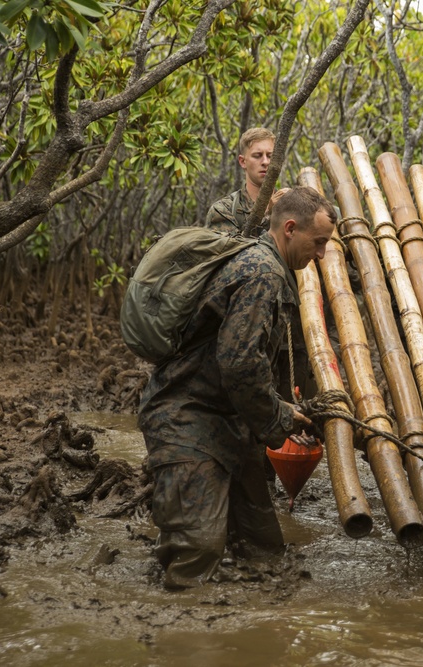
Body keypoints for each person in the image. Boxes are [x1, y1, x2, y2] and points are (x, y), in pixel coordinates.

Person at [140, 187, 337, 589]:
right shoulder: (261, 273)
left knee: (262, 548)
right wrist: (281, 416)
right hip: (187, 420)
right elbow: (241, 364)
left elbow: (250, 361)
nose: (321, 255)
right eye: (318, 243)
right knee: (197, 553)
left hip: (228, 421)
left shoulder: (269, 266)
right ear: (289, 229)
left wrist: (286, 410)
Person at [205, 127, 275, 235]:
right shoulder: (223, 210)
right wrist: (268, 215)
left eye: (270, 156)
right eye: (257, 156)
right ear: (243, 161)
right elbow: (236, 250)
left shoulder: (289, 204)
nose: (265, 162)